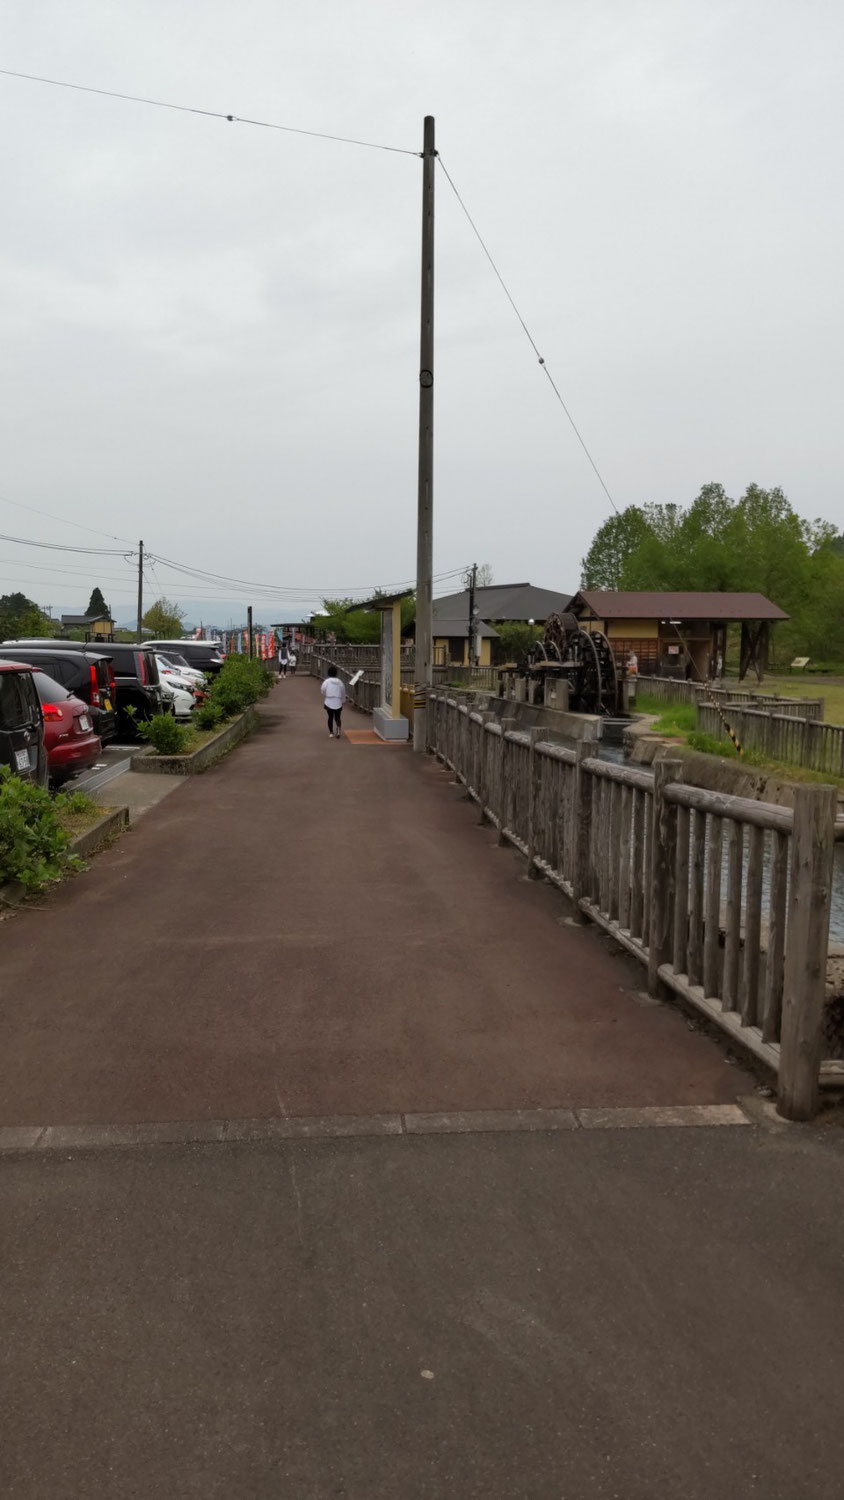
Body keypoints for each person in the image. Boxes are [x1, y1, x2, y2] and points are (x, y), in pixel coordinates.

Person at [321, 663, 346, 738]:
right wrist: (343, 701)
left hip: (329, 701)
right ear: (336, 673)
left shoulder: (327, 681)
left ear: (328, 673)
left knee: (330, 717)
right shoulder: (340, 682)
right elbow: (343, 691)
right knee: (338, 717)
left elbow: (323, 690)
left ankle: (331, 732)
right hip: (338, 701)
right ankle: (338, 731)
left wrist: (326, 695)